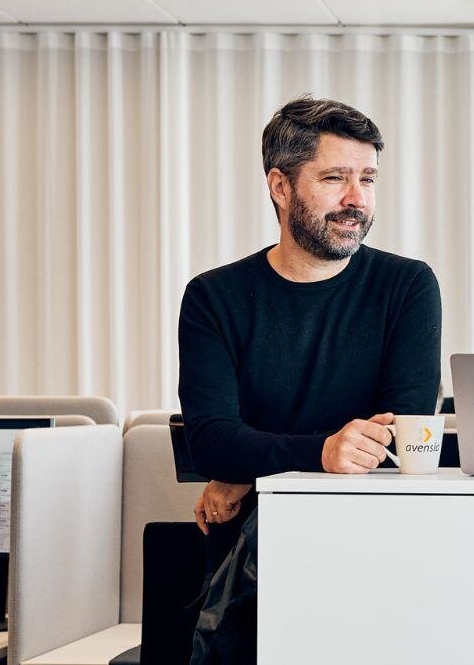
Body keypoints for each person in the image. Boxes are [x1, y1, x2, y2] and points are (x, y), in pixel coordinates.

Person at [178, 95, 443, 569]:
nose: (356, 199)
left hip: (374, 541)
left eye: (368, 179)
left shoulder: (407, 286)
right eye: (334, 178)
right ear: (281, 186)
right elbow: (212, 443)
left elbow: (401, 432)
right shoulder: (213, 297)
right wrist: (322, 452)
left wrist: (253, 470)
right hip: (252, 559)